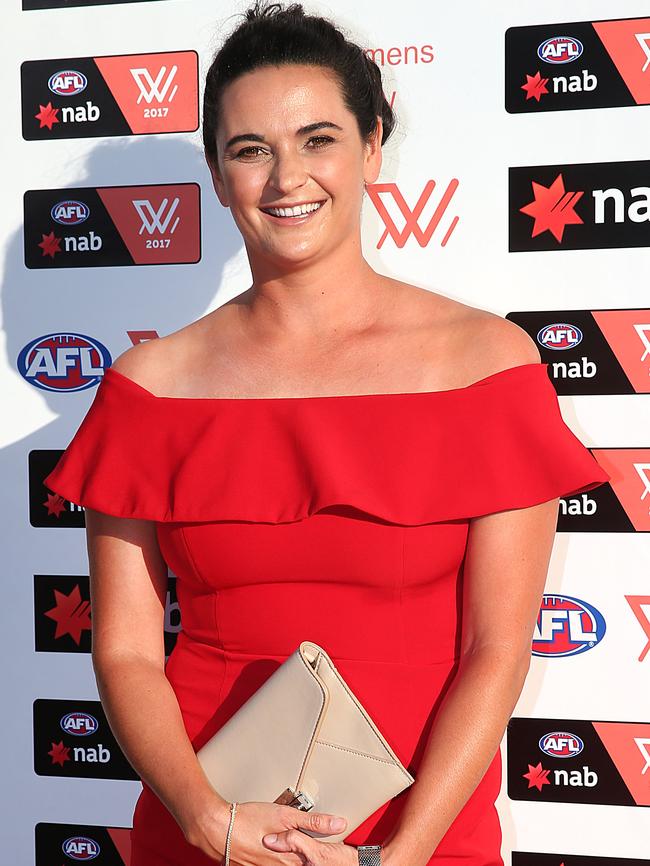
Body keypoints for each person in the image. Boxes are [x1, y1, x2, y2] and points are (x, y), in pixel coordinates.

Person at [43, 2, 611, 865]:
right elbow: (123, 650)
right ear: (215, 168)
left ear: (373, 145)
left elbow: (497, 650)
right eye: (249, 149)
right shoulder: (147, 389)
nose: (285, 179)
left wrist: (401, 854)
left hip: (420, 830)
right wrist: (206, 818)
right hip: (207, 820)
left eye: (318, 139)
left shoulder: (486, 364)